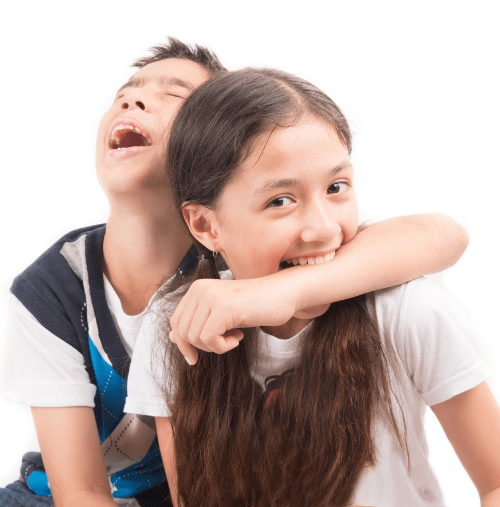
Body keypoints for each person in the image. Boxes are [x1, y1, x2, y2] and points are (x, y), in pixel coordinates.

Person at [2, 37, 467, 507]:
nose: (133, 99)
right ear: (200, 222)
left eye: (175, 96)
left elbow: (440, 236)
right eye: (127, 91)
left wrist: (284, 290)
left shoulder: (251, 245)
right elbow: (79, 491)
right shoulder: (49, 290)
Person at [125, 68, 500, 507]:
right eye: (280, 201)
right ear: (205, 226)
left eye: (336, 187)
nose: (323, 229)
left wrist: (286, 291)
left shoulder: (404, 313)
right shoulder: (174, 330)